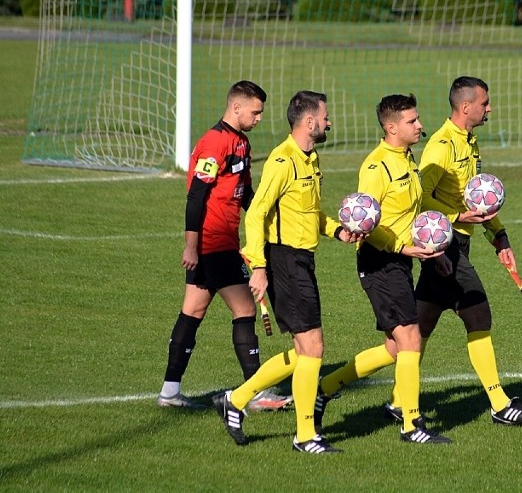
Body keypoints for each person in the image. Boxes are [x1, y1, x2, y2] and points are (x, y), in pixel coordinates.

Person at [213, 90, 359, 454]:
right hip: (283, 261)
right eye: (325, 117)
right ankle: (305, 436)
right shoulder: (283, 160)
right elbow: (258, 211)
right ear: (309, 122)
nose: (329, 122)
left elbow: (310, 212)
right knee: (313, 347)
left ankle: (236, 399)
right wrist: (259, 267)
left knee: (303, 350)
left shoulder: (311, 158)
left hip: (303, 260)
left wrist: (337, 230)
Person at [394, 76, 522, 426]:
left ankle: (398, 401)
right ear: (466, 107)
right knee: (478, 315)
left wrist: (499, 237)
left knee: (420, 328)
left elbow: (477, 199)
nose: (489, 108)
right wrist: (457, 216)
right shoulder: (442, 145)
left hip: (459, 244)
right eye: (485, 102)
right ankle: (500, 404)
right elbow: (421, 199)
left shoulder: (469, 142)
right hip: (444, 247)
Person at [313, 94, 451, 445]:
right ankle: (411, 424)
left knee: (394, 349)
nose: (420, 125)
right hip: (379, 261)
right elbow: (365, 225)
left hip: (402, 261)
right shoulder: (376, 167)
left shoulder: (407, 158)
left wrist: (432, 247)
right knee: (411, 339)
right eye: (412, 121)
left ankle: (324, 389)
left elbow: (411, 210)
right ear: (392, 127)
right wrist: (403, 247)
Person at [157, 80, 291, 412]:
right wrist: (191, 246)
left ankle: (169, 392)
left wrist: (269, 219)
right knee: (244, 309)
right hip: (214, 242)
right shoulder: (214, 142)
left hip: (222, 242)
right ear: (236, 107)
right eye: (255, 112)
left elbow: (246, 195)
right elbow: (196, 195)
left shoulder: (241, 144)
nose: (259, 118)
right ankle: (256, 392)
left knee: (193, 311)